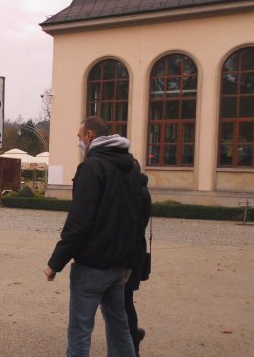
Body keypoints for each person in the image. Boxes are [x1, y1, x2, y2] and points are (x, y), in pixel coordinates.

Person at [45, 116, 142, 357]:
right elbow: (135, 219)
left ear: (89, 135)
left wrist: (55, 263)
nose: (79, 143)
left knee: (80, 333)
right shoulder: (130, 167)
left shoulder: (91, 168)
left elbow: (79, 222)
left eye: (80, 137)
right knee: (120, 330)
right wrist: (129, 262)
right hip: (117, 266)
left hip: (91, 265)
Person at [116, 170, 152, 357]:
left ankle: (132, 344)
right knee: (126, 300)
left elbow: (129, 225)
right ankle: (133, 336)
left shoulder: (133, 193)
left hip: (129, 253)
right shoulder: (142, 190)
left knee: (123, 302)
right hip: (137, 250)